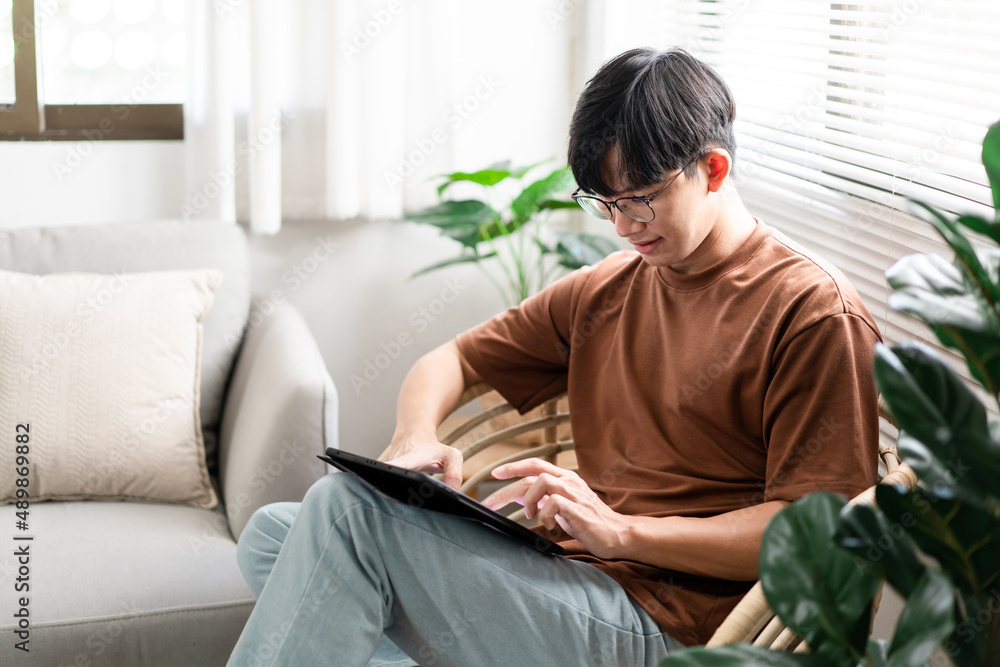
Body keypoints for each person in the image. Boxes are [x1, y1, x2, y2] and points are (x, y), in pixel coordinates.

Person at [227, 47, 880, 667]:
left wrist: (622, 533)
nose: (624, 226)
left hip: (677, 626)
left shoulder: (811, 311)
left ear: (712, 169)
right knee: (276, 533)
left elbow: (814, 537)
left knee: (343, 522)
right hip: (579, 579)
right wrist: (414, 438)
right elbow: (448, 360)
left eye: (641, 197)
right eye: (606, 203)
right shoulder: (608, 289)